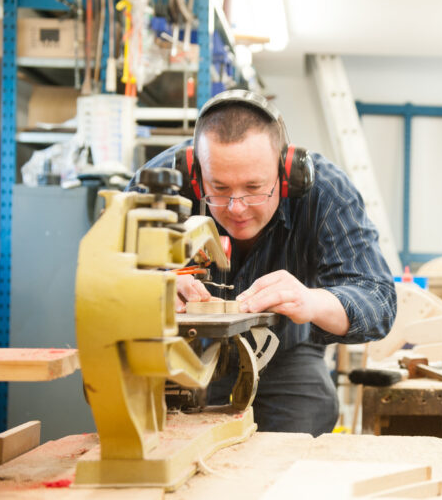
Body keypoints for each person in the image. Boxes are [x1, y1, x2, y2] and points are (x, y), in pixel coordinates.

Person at [130, 90, 397, 436]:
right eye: (219, 189)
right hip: (177, 351)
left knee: (295, 446)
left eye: (255, 188)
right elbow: (103, 276)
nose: (236, 208)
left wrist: (311, 301)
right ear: (195, 175)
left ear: (286, 174)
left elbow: (378, 299)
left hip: (284, 355)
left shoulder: (325, 190)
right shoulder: (160, 183)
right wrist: (154, 284)